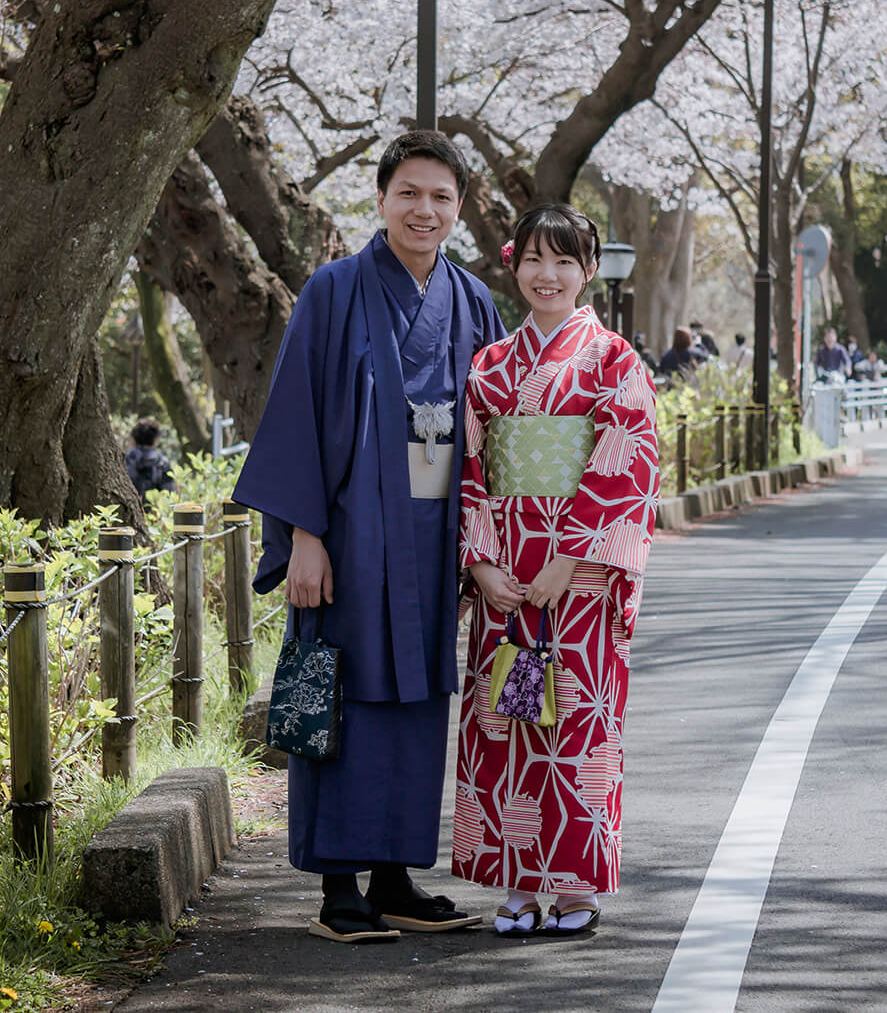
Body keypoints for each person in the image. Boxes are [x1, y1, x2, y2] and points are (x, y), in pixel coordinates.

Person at [233, 130, 503, 943]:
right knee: (342, 695)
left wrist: (487, 547)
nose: (425, 209)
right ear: (380, 198)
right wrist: (303, 535)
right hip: (349, 539)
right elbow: (292, 419)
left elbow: (498, 431)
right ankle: (338, 886)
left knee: (417, 702)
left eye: (442, 197)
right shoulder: (333, 290)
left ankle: (394, 877)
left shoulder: (474, 300)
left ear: (459, 209)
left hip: (433, 539)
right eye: (410, 193)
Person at [452, 204, 659, 939]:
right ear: (514, 267)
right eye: (535, 260)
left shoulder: (613, 361)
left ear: (588, 270)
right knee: (504, 719)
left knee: (574, 724)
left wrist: (570, 558)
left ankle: (572, 885)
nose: (548, 275)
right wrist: (479, 563)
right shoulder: (487, 366)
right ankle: (513, 884)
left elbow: (627, 464)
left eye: (564, 261)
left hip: (580, 583)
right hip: (505, 578)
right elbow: (468, 469)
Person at [124, 418, 172, 500]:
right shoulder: (162, 462)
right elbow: (169, 494)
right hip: (155, 510)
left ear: (134, 439)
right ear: (155, 440)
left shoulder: (125, 459)